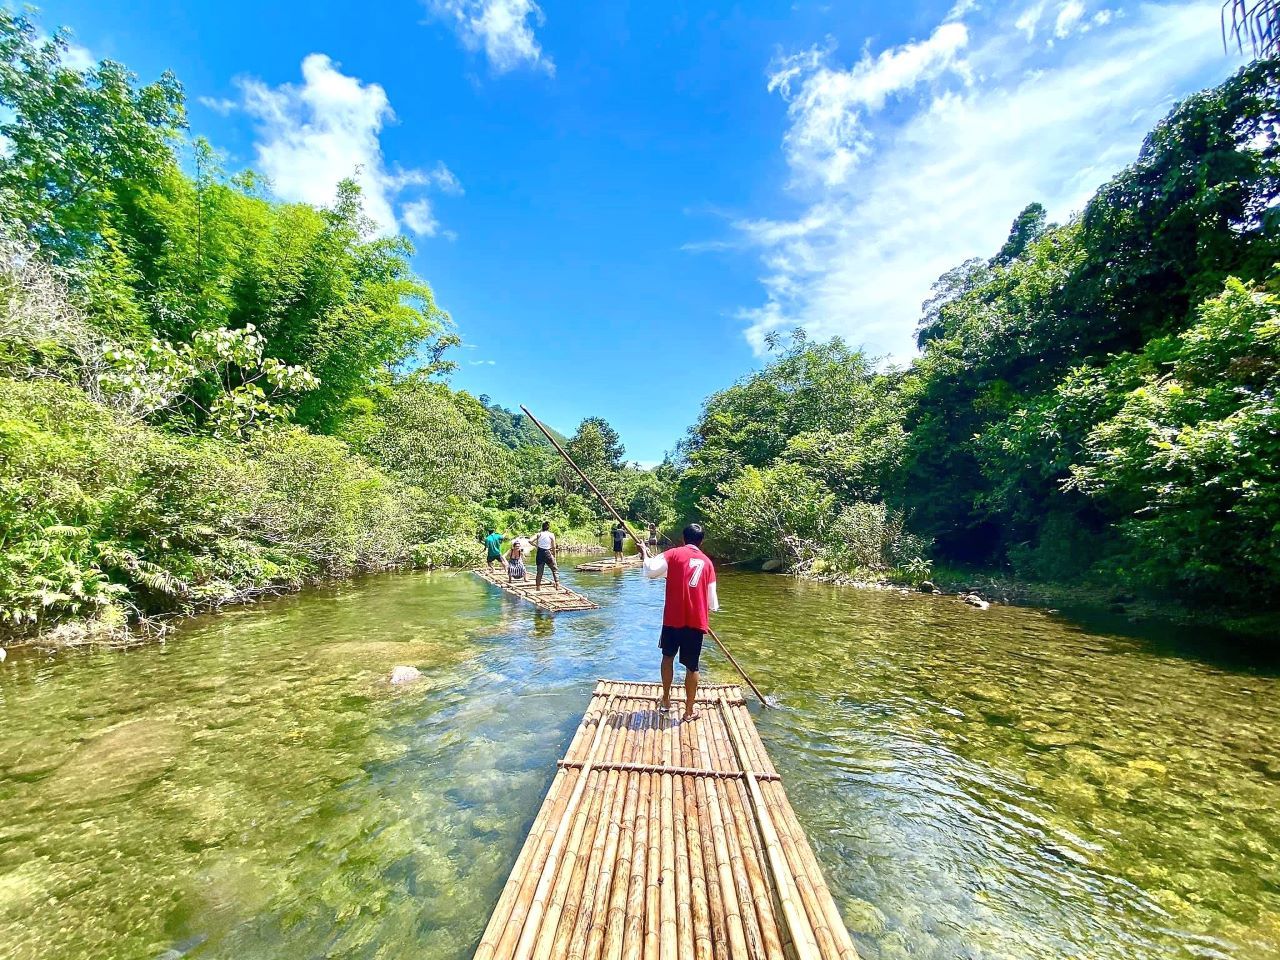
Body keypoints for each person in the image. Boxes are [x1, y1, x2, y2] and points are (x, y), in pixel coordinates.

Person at [640, 522, 719, 722]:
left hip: (673, 619)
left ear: (684, 539)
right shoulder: (708, 563)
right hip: (695, 622)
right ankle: (689, 710)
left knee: (667, 657)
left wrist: (645, 553)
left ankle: (666, 699)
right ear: (701, 541)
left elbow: (650, 571)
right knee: (693, 667)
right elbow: (712, 603)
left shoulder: (673, 554)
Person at [532, 521, 559, 590]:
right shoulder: (551, 535)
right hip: (547, 553)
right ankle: (557, 585)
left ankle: (538, 587)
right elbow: (553, 547)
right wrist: (554, 556)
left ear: (542, 527)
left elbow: (530, 540)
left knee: (539, 572)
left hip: (540, 553)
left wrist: (537, 546)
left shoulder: (539, 534)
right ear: (548, 528)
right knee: (554, 569)